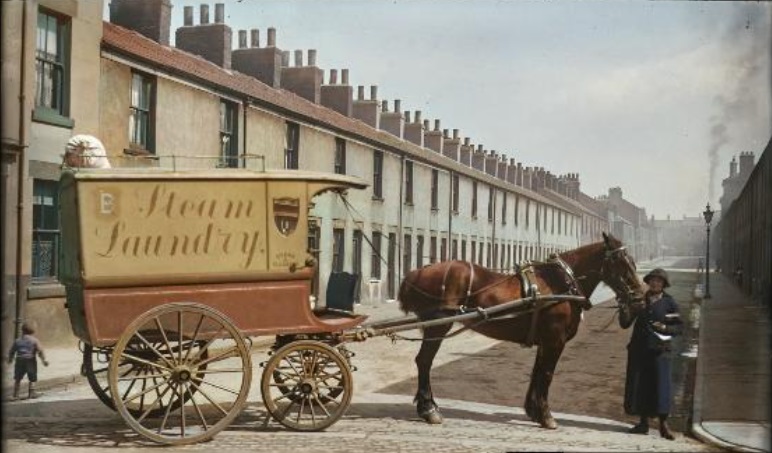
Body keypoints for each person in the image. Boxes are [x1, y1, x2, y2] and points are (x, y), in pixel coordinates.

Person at [618, 268, 683, 440]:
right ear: (648, 282)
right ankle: (643, 423)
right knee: (641, 386)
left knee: (661, 387)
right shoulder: (640, 300)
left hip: (660, 352)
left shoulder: (670, 303)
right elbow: (625, 323)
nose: (655, 283)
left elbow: (678, 327)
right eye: (653, 280)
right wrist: (624, 306)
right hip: (640, 351)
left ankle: (663, 425)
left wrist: (665, 328)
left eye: (659, 281)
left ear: (663, 285)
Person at [7, 323, 49, 400]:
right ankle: (31, 393)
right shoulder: (34, 340)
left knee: (17, 378)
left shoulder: (17, 341)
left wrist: (10, 359)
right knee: (32, 377)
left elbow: (12, 351)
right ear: (33, 331)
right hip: (30, 360)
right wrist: (44, 360)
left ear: (22, 331)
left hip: (19, 360)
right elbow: (40, 351)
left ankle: (16, 394)